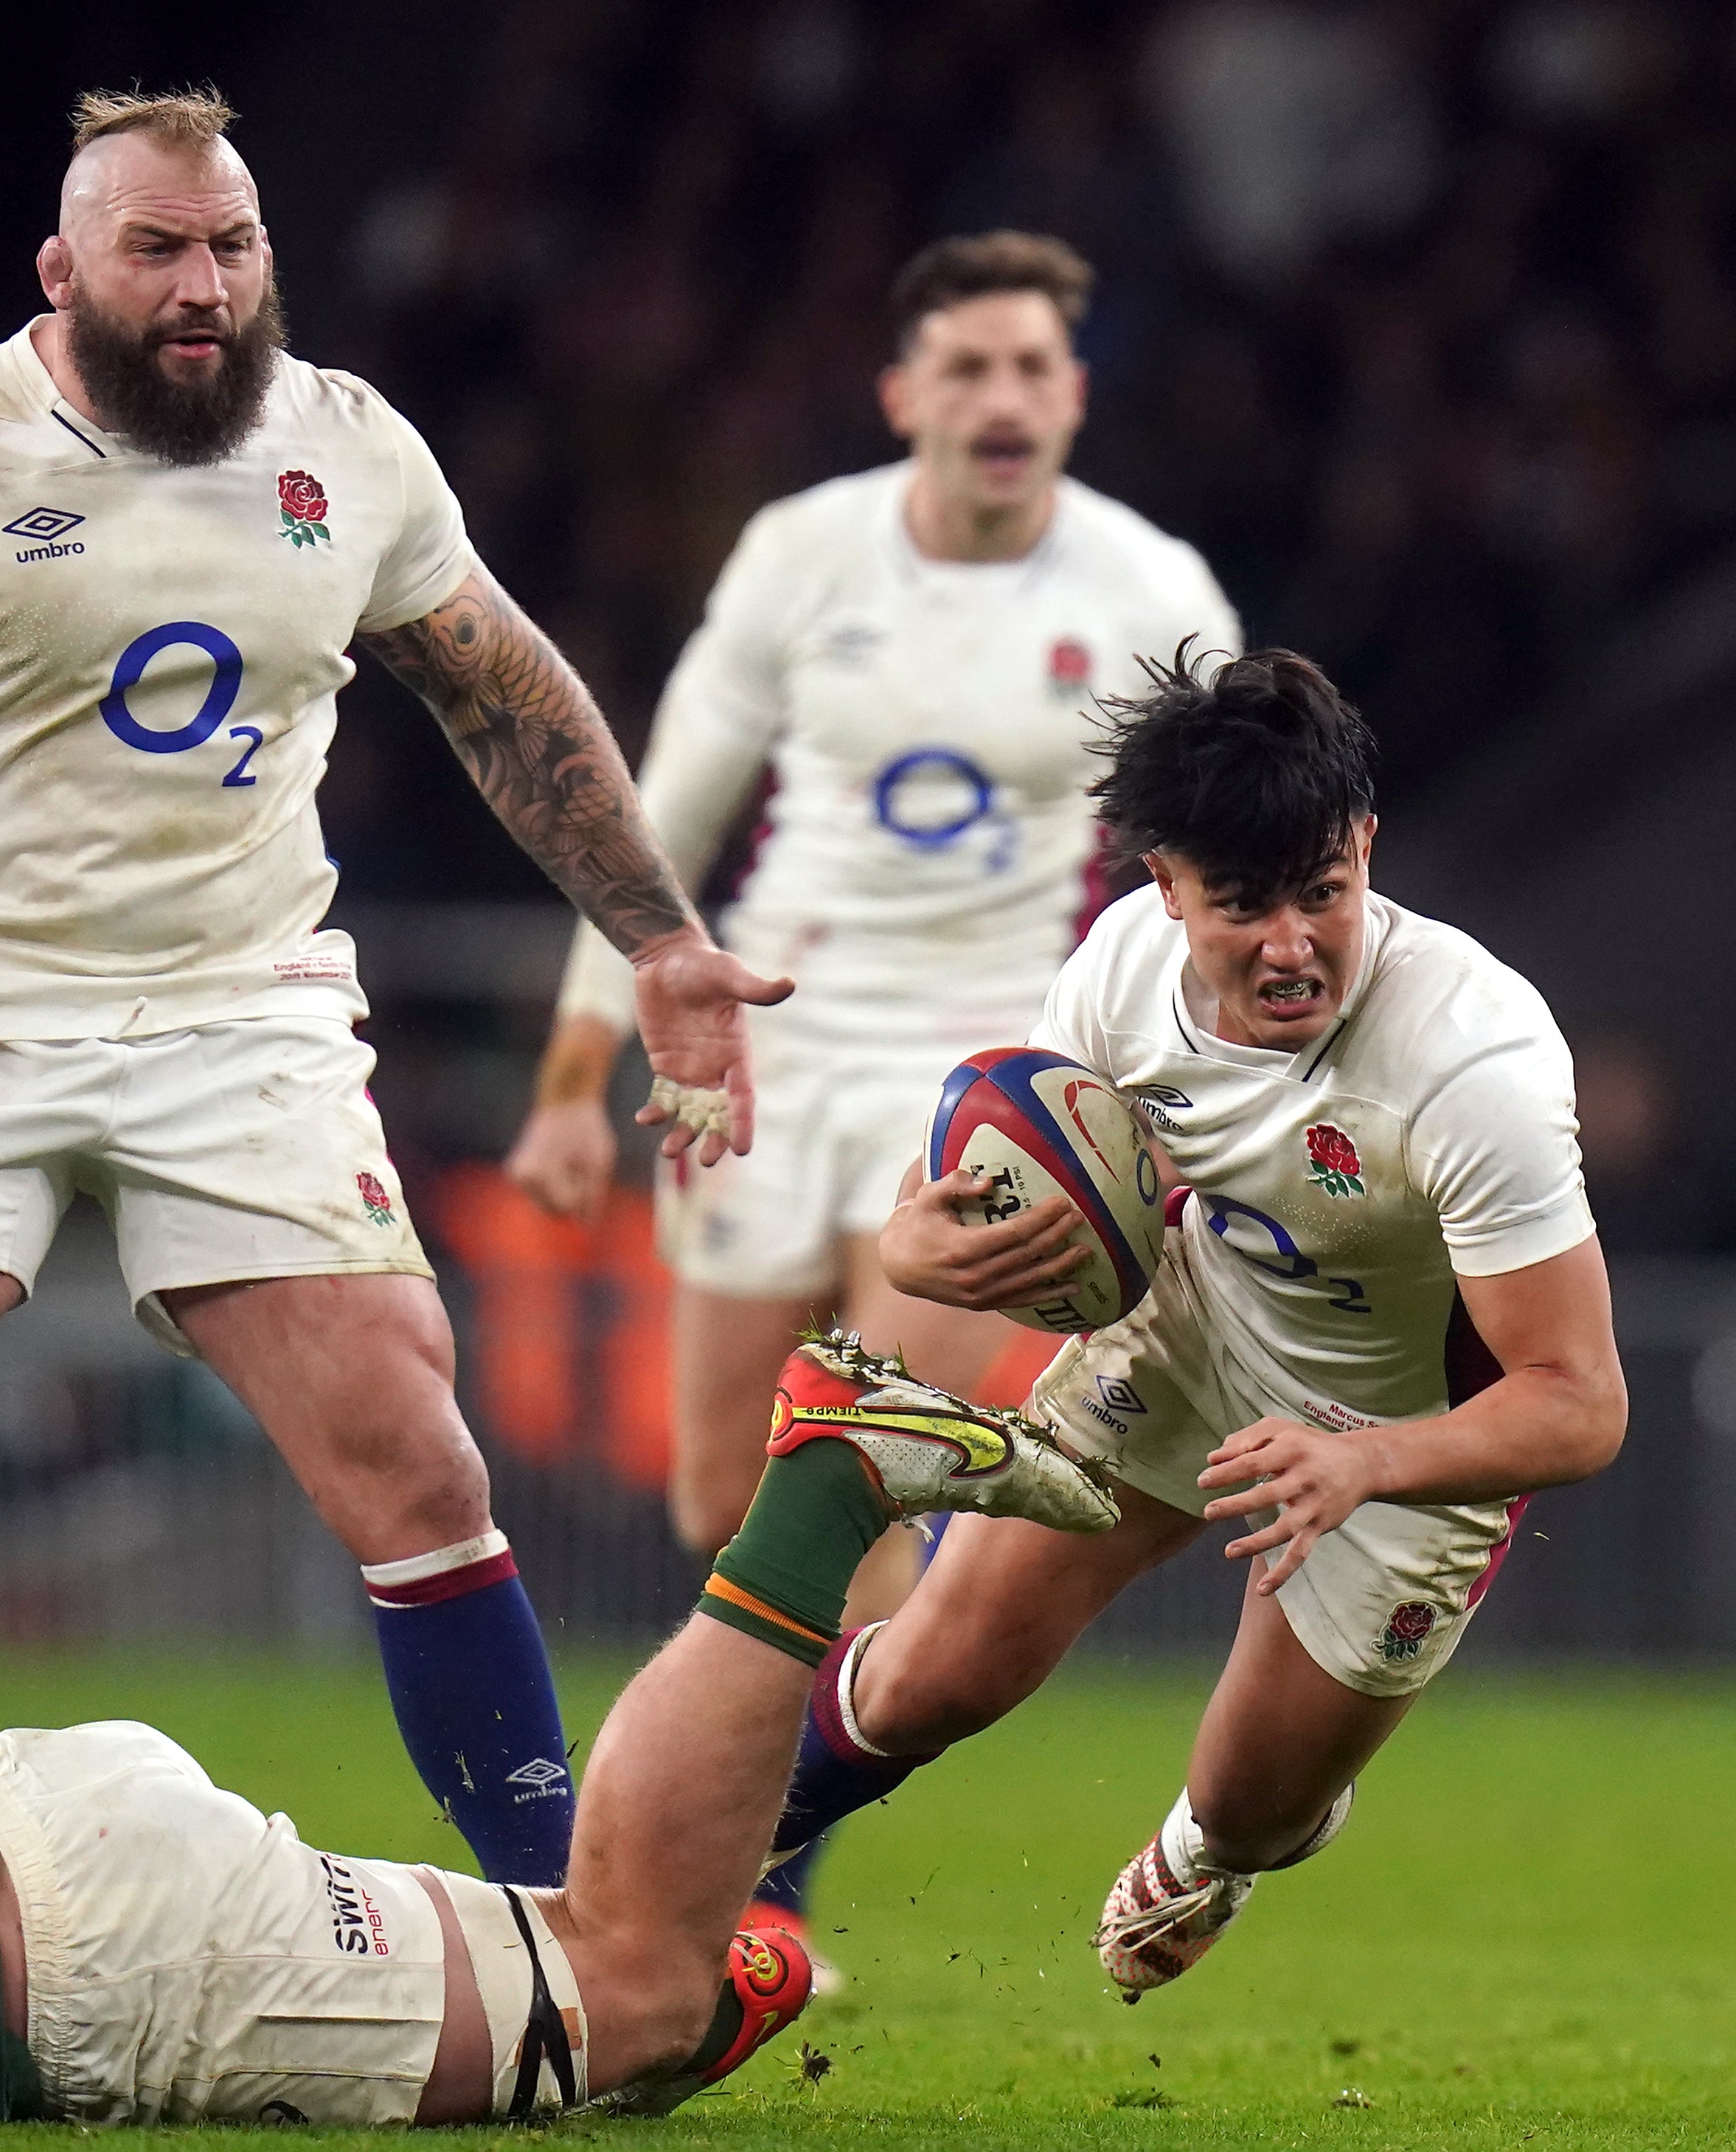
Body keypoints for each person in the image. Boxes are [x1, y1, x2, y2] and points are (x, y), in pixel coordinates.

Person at [0, 88, 785, 1887]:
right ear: (62, 268)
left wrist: (655, 935)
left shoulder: (349, 450)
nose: (201, 285)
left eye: (231, 246)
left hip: (238, 1013)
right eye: (156, 248)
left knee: (418, 1460)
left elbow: (502, 691)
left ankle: (573, 1920)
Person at [0, 1337, 1105, 2125]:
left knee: (636, 1993)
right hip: (21, 1812)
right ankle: (736, 1955)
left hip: (89, 1958)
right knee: (619, 1973)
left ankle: (827, 1481)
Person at [506, 232, 1235, 1926]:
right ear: (903, 391)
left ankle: (753, 1906)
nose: (999, 398)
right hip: (772, 1041)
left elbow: (1220, 842)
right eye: (965, 367)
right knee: (718, 1491)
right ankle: (743, 1863)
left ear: (1072, 394)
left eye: (1031, 368)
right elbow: (662, 806)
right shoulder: (802, 553)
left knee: (849, 1469)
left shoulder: (1148, 590)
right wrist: (570, 1069)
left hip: (994, 1080)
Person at [760, 645, 1628, 1996]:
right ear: (1159, 885)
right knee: (939, 1667)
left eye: (1323, 895)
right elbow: (1018, 1173)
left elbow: (1578, 1400)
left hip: (1400, 1441)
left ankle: (1228, 1840)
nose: (1289, 947)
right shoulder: (1115, 973)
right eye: (1240, 905)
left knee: (1249, 1805)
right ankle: (682, 1882)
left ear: (1364, 847)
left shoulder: (1474, 1061)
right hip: (1188, 1331)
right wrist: (913, 1241)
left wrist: (1363, 1460)